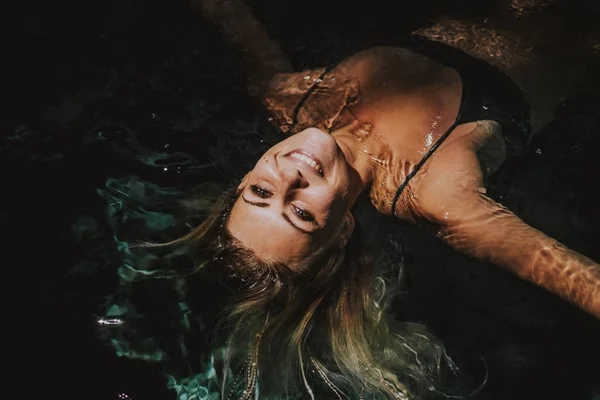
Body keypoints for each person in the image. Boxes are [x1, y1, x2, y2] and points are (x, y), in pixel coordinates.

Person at [127, 0, 600, 398]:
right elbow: (579, 280)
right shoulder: (437, 193)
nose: (289, 177)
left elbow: (234, 20)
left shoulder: (290, 101)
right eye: (299, 212)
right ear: (343, 232)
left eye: (260, 191)